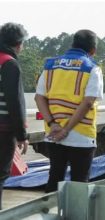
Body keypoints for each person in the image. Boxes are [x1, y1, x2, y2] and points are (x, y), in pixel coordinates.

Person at [35, 30, 103, 193]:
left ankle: (48, 215)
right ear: (93, 50)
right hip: (81, 135)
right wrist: (66, 130)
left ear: (72, 45)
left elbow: (39, 97)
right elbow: (87, 103)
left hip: (54, 133)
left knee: (54, 179)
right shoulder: (92, 68)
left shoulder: (50, 65)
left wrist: (53, 124)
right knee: (79, 184)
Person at [0, 22, 29, 209]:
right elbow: (15, 102)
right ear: (18, 44)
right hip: (3, 131)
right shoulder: (9, 63)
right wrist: (21, 136)